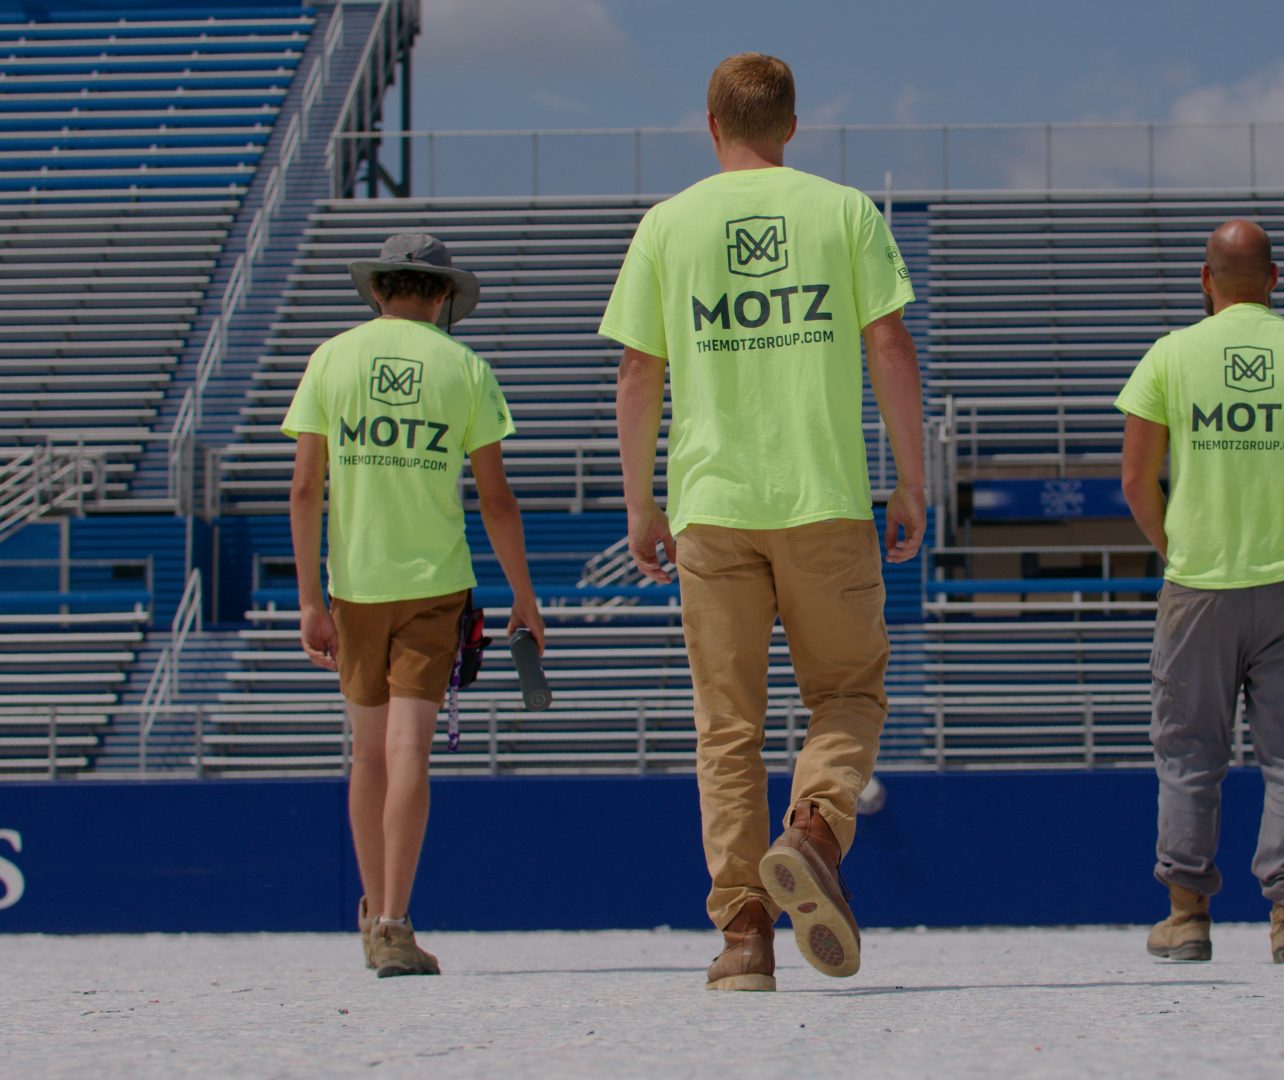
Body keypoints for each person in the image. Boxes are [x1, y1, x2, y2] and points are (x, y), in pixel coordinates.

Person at [599, 53, 923, 992]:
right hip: (821, 497)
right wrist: (909, 482)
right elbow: (891, 345)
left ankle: (744, 938)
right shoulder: (845, 211)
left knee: (727, 728)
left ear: (711, 126)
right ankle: (817, 826)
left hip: (711, 508)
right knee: (850, 692)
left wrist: (640, 502)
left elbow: (636, 373)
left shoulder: (668, 224)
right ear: (792, 125)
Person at [1116, 219, 1284, 965]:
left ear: (1206, 280)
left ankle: (1187, 917)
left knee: (1189, 754)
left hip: (1200, 584)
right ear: (1274, 278)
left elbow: (1135, 481)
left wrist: (1174, 548)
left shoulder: (1170, 356)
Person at [284, 234, 545, 978]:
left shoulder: (331, 357)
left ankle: (375, 915)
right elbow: (497, 500)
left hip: (354, 585)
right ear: (440, 297)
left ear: (377, 293)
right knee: (409, 755)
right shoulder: (465, 366)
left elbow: (304, 489)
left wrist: (309, 599)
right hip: (435, 585)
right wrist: (524, 599)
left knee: (367, 756)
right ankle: (396, 919)